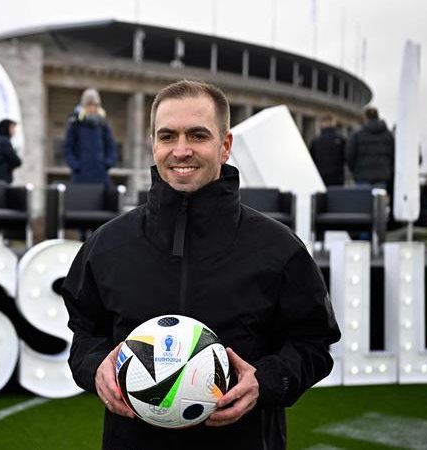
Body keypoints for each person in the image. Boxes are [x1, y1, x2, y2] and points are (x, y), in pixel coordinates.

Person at [62, 80, 341, 449]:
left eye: (197, 135)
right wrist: (95, 367)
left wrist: (266, 382)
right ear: (153, 144)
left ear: (225, 146)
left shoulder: (279, 248)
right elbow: (84, 335)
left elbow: (313, 344)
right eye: (167, 136)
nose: (181, 150)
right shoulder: (106, 245)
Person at [63, 88, 117, 185]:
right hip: (80, 176)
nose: (92, 108)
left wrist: (107, 164)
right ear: (84, 106)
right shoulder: (75, 124)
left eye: (95, 105)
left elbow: (111, 146)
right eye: (89, 105)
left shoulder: (103, 124)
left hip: (101, 175)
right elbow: (68, 148)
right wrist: (76, 166)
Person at [345, 106, 395, 192]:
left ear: (365, 117)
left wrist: (353, 170)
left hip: (362, 175)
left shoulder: (357, 134)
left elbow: (350, 155)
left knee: (363, 199)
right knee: (379, 199)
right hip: (382, 175)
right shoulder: (388, 135)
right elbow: (393, 154)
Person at [309, 114, 346, 186]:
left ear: (321, 124)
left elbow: (312, 158)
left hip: (320, 175)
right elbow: (345, 157)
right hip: (337, 176)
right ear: (333, 123)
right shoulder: (341, 140)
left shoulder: (315, 141)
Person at [0, 119, 22, 183]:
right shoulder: (4, 142)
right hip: (2, 178)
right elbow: (15, 160)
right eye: (12, 128)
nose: (14, 131)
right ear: (6, 128)